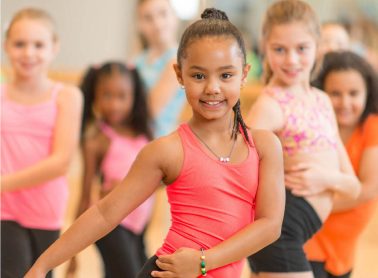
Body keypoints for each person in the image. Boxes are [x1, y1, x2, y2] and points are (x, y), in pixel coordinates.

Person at [25, 8, 285, 278]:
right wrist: (43, 265)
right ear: (179, 74)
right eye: (198, 76)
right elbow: (105, 213)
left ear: (244, 74)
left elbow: (270, 225)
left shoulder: (264, 146)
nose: (212, 87)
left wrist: (204, 261)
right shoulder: (167, 150)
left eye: (226, 75)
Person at [245, 1, 360, 277]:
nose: (292, 60)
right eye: (279, 50)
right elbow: (236, 164)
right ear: (265, 47)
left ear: (317, 45)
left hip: (297, 230)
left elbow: (353, 186)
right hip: (281, 232)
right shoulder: (270, 104)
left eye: (301, 48)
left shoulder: (321, 100)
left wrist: (324, 179)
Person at [0, 8, 82, 278]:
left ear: (54, 47)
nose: (28, 53)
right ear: (6, 46)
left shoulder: (67, 96)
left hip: (46, 210)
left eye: (38, 44)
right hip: (4, 209)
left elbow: (60, 163)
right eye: (19, 44)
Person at [68, 62, 154, 277]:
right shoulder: (97, 139)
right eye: (107, 96)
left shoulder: (144, 134)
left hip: (137, 225)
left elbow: (159, 178)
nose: (114, 104)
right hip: (110, 224)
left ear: (134, 96)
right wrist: (72, 255)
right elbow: (85, 195)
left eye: (122, 96)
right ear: (95, 96)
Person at [304, 51, 378, 278]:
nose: (345, 103)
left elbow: (369, 189)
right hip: (308, 238)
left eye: (354, 93)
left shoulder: (372, 127)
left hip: (342, 244)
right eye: (335, 94)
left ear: (367, 93)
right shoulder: (312, 126)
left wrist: (314, 206)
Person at [135, 0, 186, 138]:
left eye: (163, 14)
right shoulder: (138, 61)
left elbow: (150, 111)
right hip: (133, 133)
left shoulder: (178, 61)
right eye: (148, 18)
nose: (157, 24)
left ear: (174, 16)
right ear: (139, 24)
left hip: (157, 140)